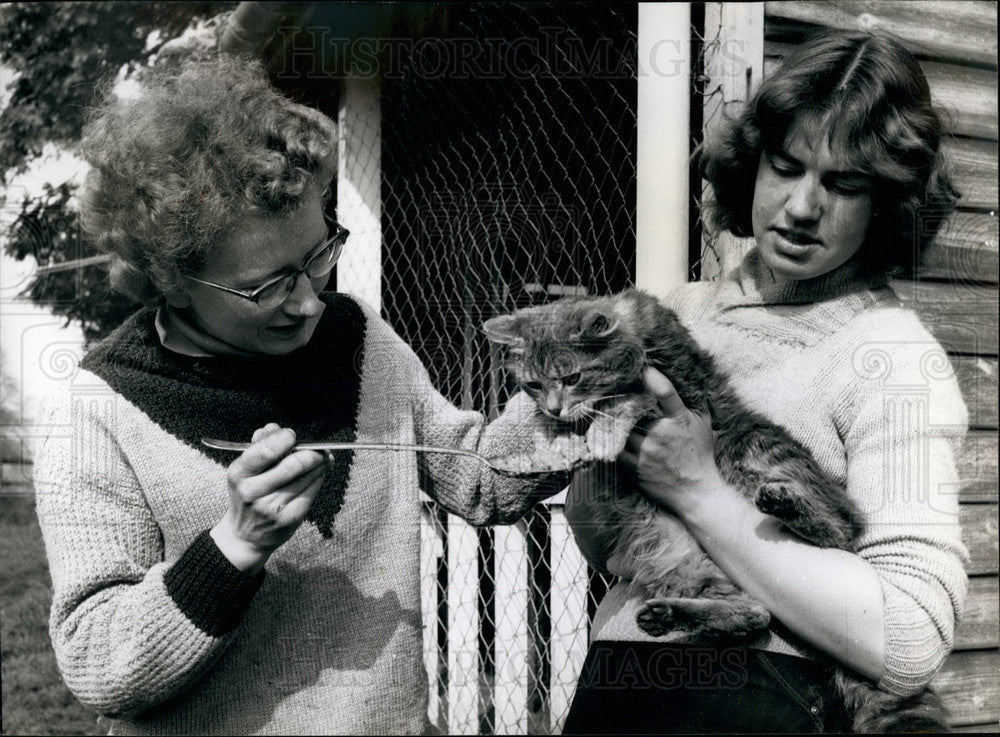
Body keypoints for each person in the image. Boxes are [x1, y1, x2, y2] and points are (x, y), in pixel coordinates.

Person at [33, 56, 565, 735]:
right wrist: (232, 545)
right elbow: (98, 663)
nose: (311, 301)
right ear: (168, 277)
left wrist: (587, 392)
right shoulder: (99, 410)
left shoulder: (359, 339)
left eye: (320, 254)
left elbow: (482, 477)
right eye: (266, 286)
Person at [562, 30, 968, 734]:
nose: (803, 206)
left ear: (887, 206)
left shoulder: (890, 354)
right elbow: (604, 542)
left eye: (844, 185)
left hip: (760, 702)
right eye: (787, 166)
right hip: (619, 687)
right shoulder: (679, 312)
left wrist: (699, 490)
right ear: (752, 166)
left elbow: (908, 636)